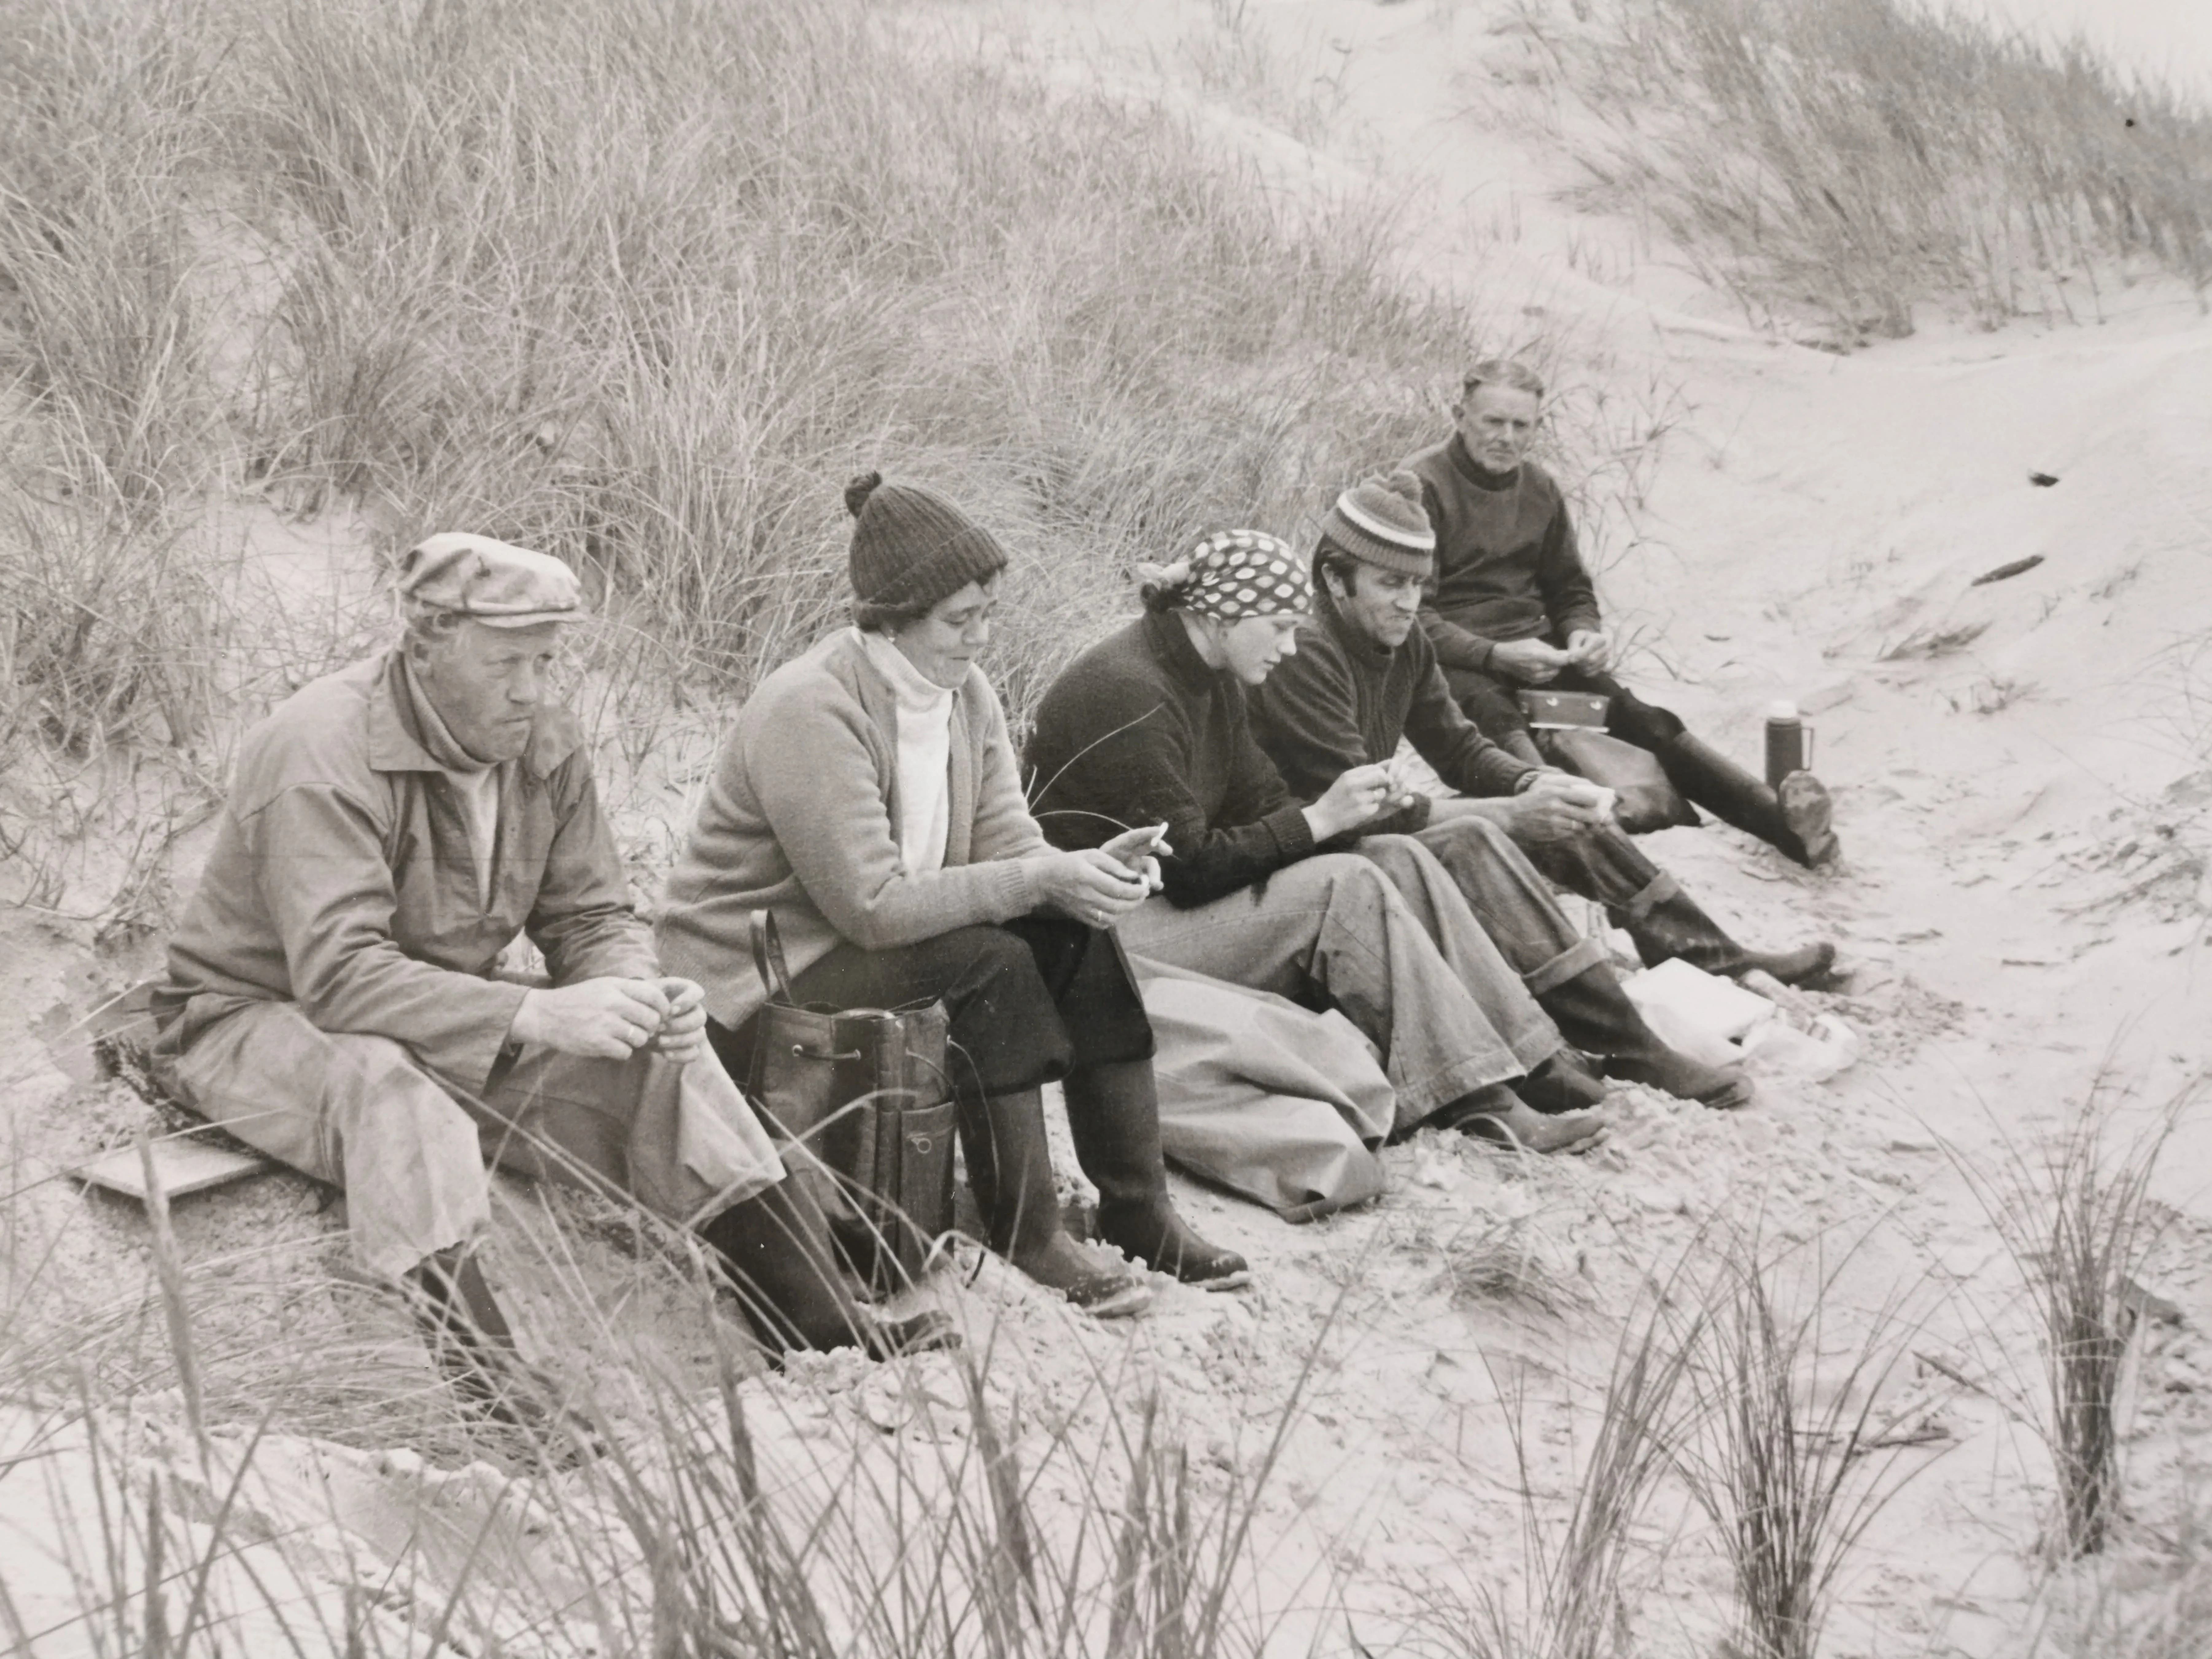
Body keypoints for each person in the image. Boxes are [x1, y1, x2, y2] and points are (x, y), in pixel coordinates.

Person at [152, 534, 953, 1446]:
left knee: (661, 1056)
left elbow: (591, 915)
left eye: (546, 659)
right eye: (507, 662)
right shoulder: (318, 751)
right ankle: (492, 1399)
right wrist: (535, 1009)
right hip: (252, 1017)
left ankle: (817, 1320)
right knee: (390, 1093)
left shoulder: (539, 738)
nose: (532, 689)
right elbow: (338, 976)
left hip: (443, 1003)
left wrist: (632, 991)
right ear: (427, 642)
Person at [655, 474, 1248, 1319]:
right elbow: (870, 904)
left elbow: (1007, 840)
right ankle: (1027, 1228)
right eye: (957, 621)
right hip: (754, 980)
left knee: (1074, 938)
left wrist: (1082, 874)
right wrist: (1038, 879)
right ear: (888, 620)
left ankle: (1138, 1207)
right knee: (994, 963)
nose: (976, 639)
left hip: (854, 949)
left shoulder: (963, 693)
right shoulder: (810, 705)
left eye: (985, 616)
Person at [1026, 529, 1739, 1153]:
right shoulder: (1130, 691)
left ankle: (1537, 1060)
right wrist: (1322, 820)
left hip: (1156, 909)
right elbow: (1192, 866)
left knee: (1396, 854)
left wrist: (1355, 815)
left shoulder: (1206, 672)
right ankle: (1475, 1098)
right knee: (1349, 884)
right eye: (1276, 627)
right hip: (1104, 942)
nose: (1288, 645)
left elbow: (1258, 799)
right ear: (1219, 616)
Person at [1250, 470, 1837, 991]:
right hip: (1311, 862)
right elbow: (1363, 811)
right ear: (1334, 580)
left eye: (1418, 586)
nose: (1410, 603)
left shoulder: (1404, 641)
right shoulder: (1303, 650)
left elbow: (1459, 750)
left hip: (1370, 831)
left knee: (1560, 806)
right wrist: (1511, 812)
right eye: (1390, 584)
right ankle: (1599, 1004)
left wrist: (1534, 781)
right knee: (1497, 827)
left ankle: (1707, 955)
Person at [1403, 359, 1839, 868]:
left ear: (1536, 428)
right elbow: (1413, 617)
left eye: (1521, 425)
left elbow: (1569, 589)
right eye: (1492, 422)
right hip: (1460, 666)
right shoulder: (1421, 486)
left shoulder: (1540, 488)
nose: (1506, 437)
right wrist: (1496, 655)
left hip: (1541, 659)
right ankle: (1594, 857)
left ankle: (1790, 829)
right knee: (1513, 745)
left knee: (1647, 724)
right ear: (1460, 416)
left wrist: (1584, 634)